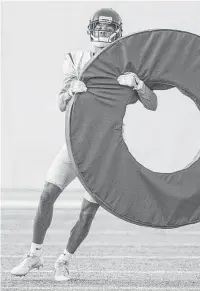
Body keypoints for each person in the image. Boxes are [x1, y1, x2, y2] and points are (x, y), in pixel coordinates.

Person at [11, 8, 158, 281]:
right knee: (46, 195)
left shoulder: (128, 64)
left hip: (105, 150)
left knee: (88, 211)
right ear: (90, 29)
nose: (102, 32)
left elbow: (153, 104)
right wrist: (70, 91)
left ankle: (63, 261)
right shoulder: (75, 59)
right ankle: (34, 254)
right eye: (99, 27)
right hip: (75, 142)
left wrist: (138, 85)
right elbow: (59, 104)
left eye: (108, 28)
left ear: (118, 32)